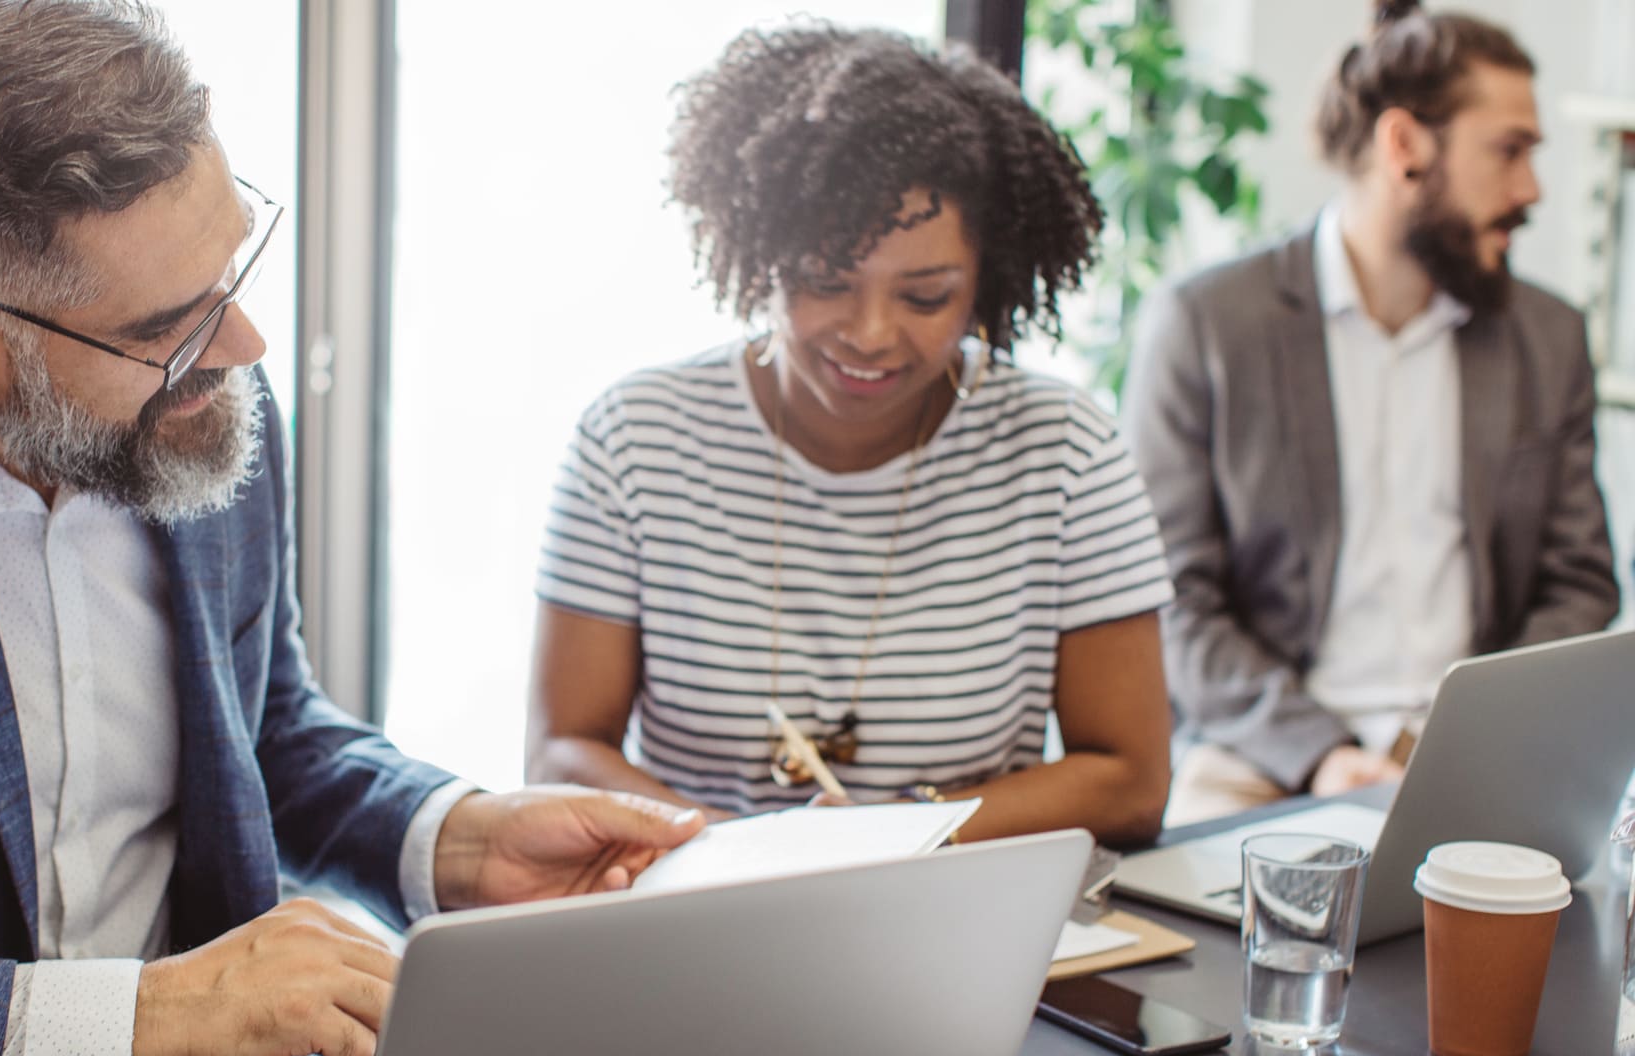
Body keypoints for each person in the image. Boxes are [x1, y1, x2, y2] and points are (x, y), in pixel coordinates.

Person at [0, 3, 704, 1056]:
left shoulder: (201, 391)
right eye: (162, 327)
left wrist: (455, 837)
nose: (243, 343)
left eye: (233, 266)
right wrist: (140, 1020)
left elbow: (262, 727)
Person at [526, 23, 1175, 849]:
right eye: (826, 283)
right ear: (761, 255)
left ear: (986, 285)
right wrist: (740, 855)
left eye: (926, 296)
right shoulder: (633, 439)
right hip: (694, 910)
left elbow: (1131, 781)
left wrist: (898, 834)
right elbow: (560, 754)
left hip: (955, 919)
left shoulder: (1064, 451)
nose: (871, 334)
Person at [1121, 0, 1618, 826]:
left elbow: (1579, 584)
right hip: (1263, 760)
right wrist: (1320, 753)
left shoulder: (1547, 336)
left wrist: (1469, 737)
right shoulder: (1207, 325)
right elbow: (1172, 600)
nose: (1531, 189)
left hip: (1473, 759)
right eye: (1510, 150)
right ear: (1404, 147)